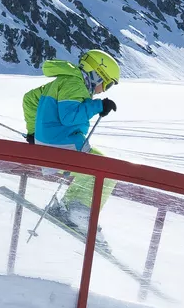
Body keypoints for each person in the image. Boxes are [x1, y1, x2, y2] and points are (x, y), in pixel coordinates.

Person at [21, 49, 120, 231]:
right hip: (63, 145)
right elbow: (70, 116)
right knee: (107, 171)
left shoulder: (62, 81)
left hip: (50, 144)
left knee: (91, 171)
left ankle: (68, 208)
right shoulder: (75, 84)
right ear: (97, 75)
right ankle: (77, 213)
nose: (102, 91)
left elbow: (29, 99)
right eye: (106, 85)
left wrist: (33, 133)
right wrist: (98, 105)